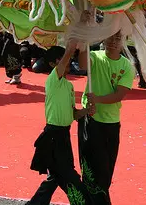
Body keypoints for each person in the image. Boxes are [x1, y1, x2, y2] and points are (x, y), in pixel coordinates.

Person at [26, 39, 94, 205]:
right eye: (61, 58)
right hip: (53, 135)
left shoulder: (69, 86)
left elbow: (74, 114)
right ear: (52, 64)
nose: (67, 60)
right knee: (68, 175)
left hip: (63, 135)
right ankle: (84, 202)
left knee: (55, 177)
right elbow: (64, 63)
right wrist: (72, 46)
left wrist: (87, 110)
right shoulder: (52, 80)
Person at [78, 31, 134, 204]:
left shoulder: (128, 66)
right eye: (110, 36)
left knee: (105, 172)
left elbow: (119, 95)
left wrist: (99, 99)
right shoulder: (95, 56)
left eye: (118, 38)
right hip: (90, 120)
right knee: (88, 169)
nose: (113, 41)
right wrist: (84, 33)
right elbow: (82, 64)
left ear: (124, 41)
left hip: (110, 124)